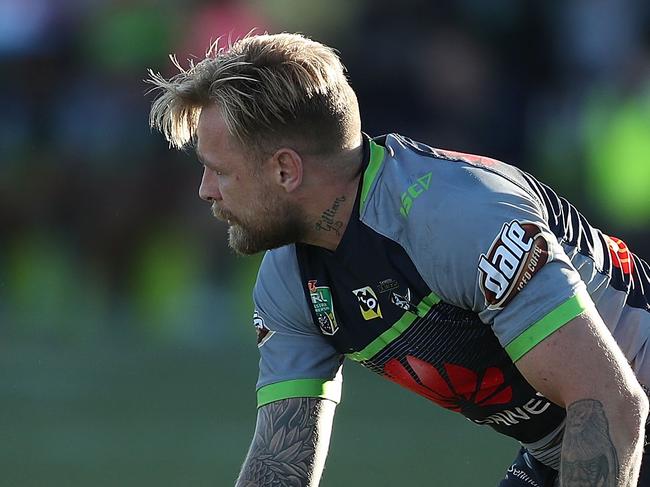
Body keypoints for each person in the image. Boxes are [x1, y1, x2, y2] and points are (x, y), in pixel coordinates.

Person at [146, 33, 650, 486]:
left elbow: (611, 402)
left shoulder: (455, 217)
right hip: (572, 443)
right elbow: (279, 469)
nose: (204, 191)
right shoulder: (288, 279)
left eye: (219, 171)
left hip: (619, 414)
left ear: (284, 170)